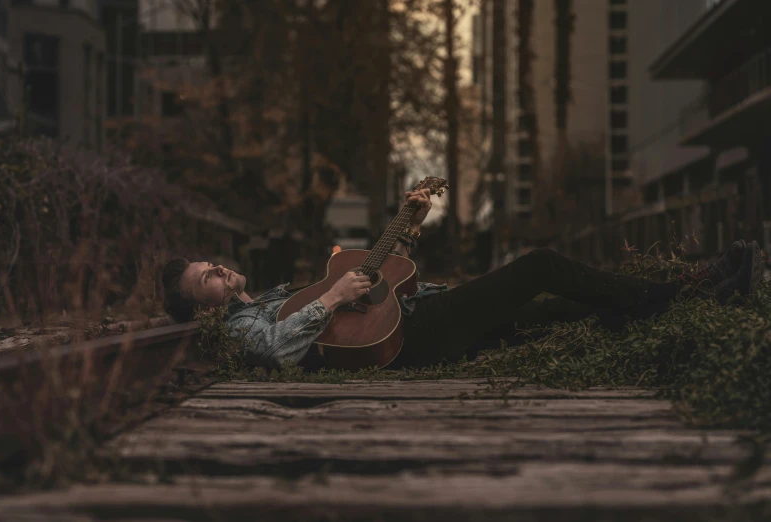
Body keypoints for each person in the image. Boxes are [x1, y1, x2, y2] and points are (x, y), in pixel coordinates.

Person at [162, 188, 763, 370]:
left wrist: (396, 241)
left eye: (210, 263)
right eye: (205, 281)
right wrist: (337, 296)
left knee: (560, 315)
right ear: (206, 311)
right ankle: (681, 290)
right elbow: (277, 349)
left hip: (426, 319)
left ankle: (709, 295)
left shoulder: (270, 295)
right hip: (417, 339)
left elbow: (359, 293)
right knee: (541, 266)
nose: (216, 269)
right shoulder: (241, 328)